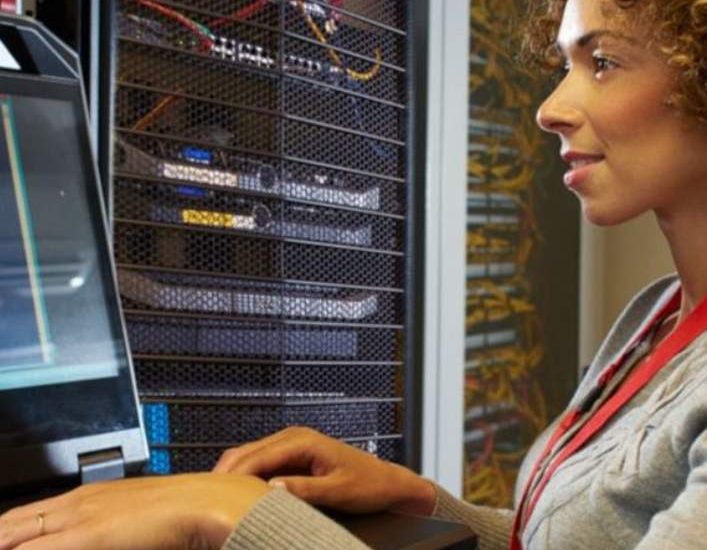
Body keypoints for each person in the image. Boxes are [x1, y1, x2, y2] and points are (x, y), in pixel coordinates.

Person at [1, 0, 706, 548]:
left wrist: (226, 515)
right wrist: (423, 501)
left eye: (602, 62)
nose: (550, 109)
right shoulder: (657, 316)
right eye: (562, 65)